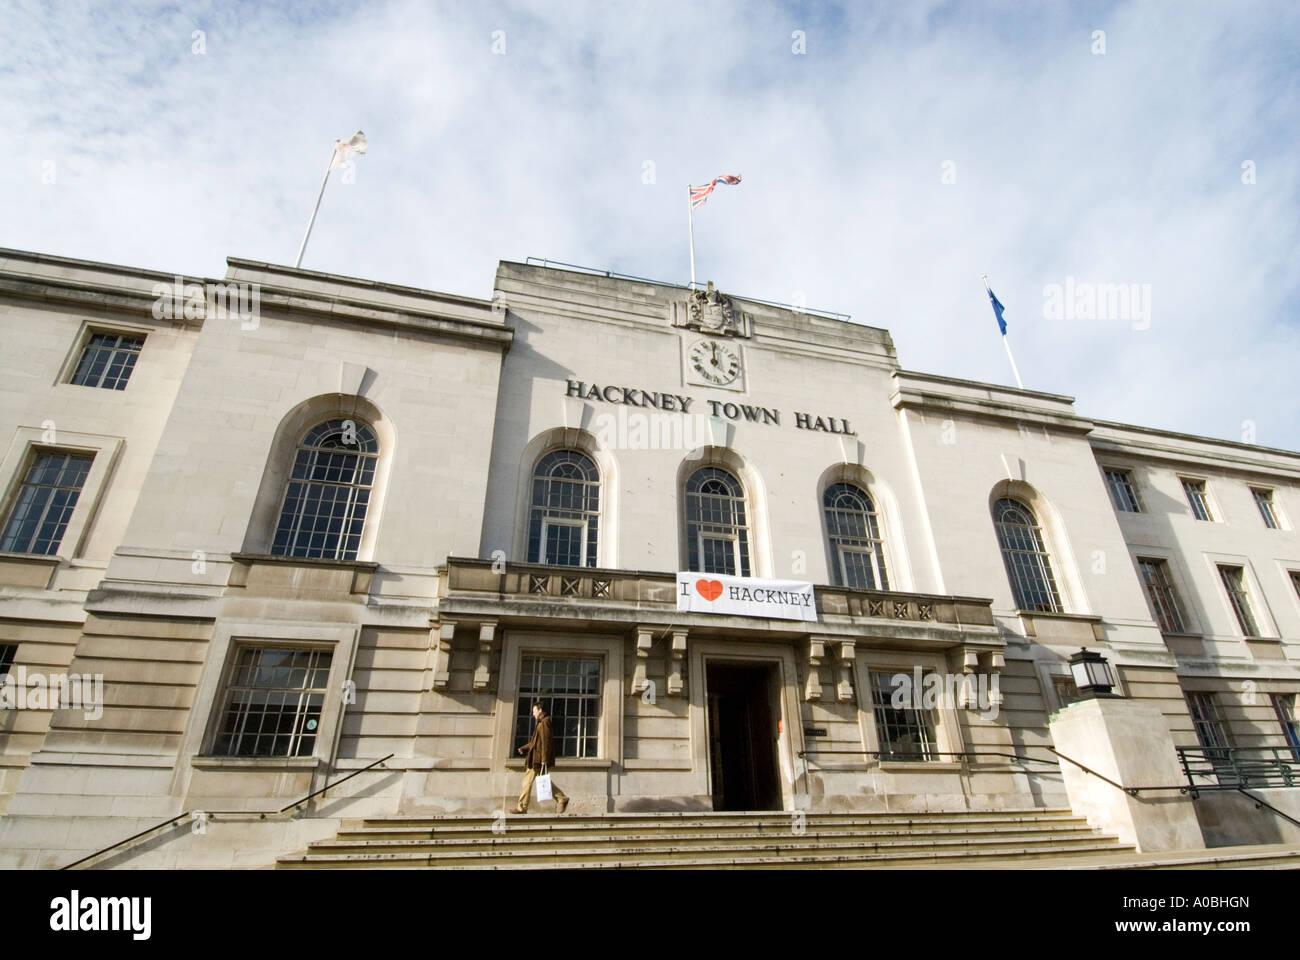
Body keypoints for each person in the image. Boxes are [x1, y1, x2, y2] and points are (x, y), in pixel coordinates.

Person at [513, 702, 568, 814]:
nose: (533, 714)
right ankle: (561, 798)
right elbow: (535, 742)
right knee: (544, 782)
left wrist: (544, 760)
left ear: (540, 710)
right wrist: (524, 748)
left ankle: (521, 807)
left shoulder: (544, 723)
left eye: (534, 711)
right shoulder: (541, 723)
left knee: (527, 783)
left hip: (537, 760)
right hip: (536, 759)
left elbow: (546, 743)